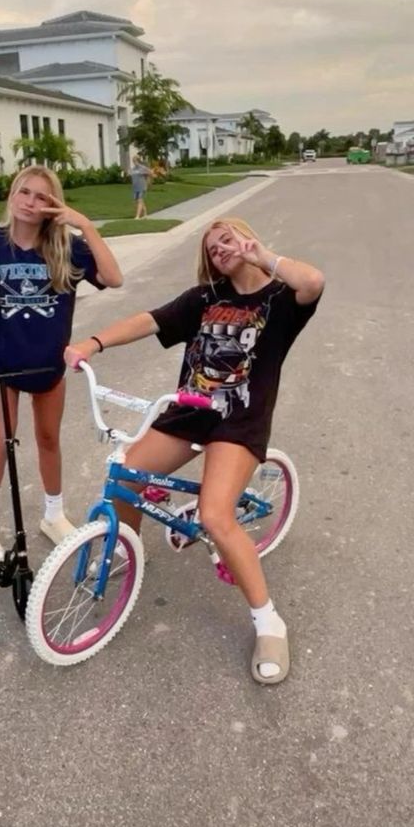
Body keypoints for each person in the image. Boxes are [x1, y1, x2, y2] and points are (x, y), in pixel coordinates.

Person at [64, 217, 324, 686]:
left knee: (217, 516)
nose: (220, 249)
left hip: (239, 420)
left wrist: (259, 255)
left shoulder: (280, 300)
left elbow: (314, 281)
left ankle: (268, 622)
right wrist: (92, 342)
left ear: (247, 236)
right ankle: (128, 547)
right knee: (126, 472)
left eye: (227, 239)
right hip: (188, 413)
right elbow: (149, 320)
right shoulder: (206, 298)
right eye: (212, 247)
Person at [0, 164, 123, 568]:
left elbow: (114, 278)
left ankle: (54, 514)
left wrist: (83, 225)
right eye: (24, 192)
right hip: (1, 365)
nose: (31, 202)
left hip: (47, 364)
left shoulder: (66, 245)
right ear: (12, 196)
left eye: (42, 196)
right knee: (0, 441)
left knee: (49, 440)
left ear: (53, 204)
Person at [130, 153, 151, 220]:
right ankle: (145, 214)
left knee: (140, 200)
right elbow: (132, 176)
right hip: (135, 187)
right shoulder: (133, 169)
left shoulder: (143, 168)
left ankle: (137, 216)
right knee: (140, 201)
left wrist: (147, 184)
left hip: (142, 186)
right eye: (133, 161)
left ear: (138, 161)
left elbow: (149, 174)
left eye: (135, 161)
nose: (134, 162)